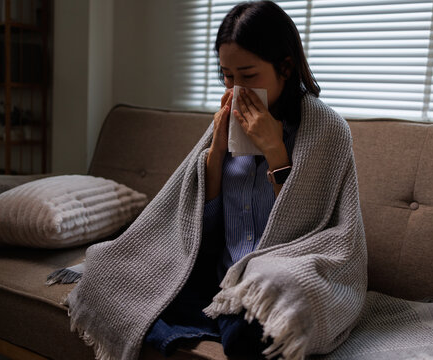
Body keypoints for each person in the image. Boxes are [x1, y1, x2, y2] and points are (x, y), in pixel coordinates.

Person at [63, 2, 367, 360]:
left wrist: (276, 153)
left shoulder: (326, 129)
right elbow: (198, 231)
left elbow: (306, 233)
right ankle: (218, 313)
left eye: (248, 75)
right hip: (218, 277)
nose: (236, 87)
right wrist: (216, 153)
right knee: (110, 276)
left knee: (258, 326)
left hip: (279, 272)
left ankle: (226, 316)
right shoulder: (225, 122)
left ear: (285, 68)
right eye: (227, 75)